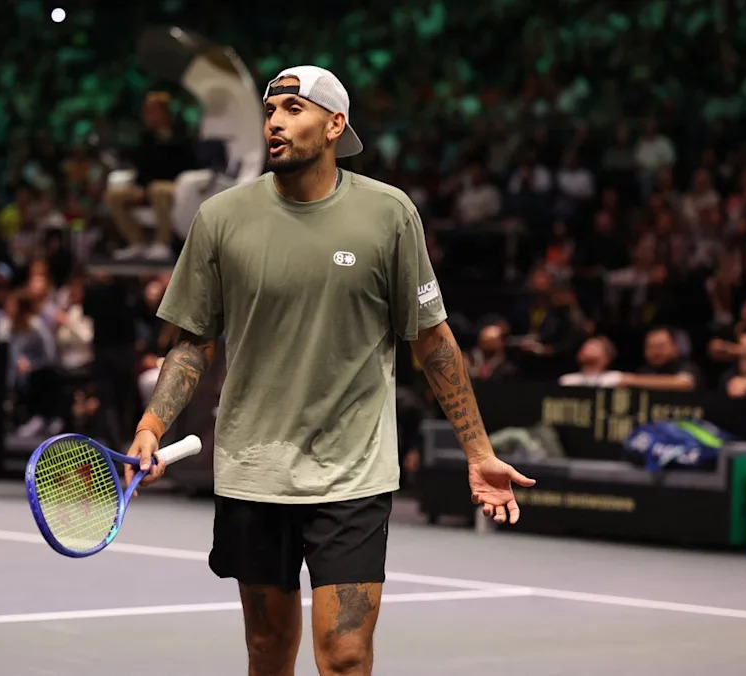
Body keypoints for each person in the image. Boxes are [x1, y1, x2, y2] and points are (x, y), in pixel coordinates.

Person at [125, 65, 536, 676]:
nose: (274, 123)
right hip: (254, 472)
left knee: (344, 656)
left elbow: (434, 341)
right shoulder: (220, 218)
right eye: (269, 111)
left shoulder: (388, 214)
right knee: (267, 651)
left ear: (335, 125)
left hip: (353, 475)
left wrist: (478, 452)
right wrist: (151, 426)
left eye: (292, 109)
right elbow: (192, 342)